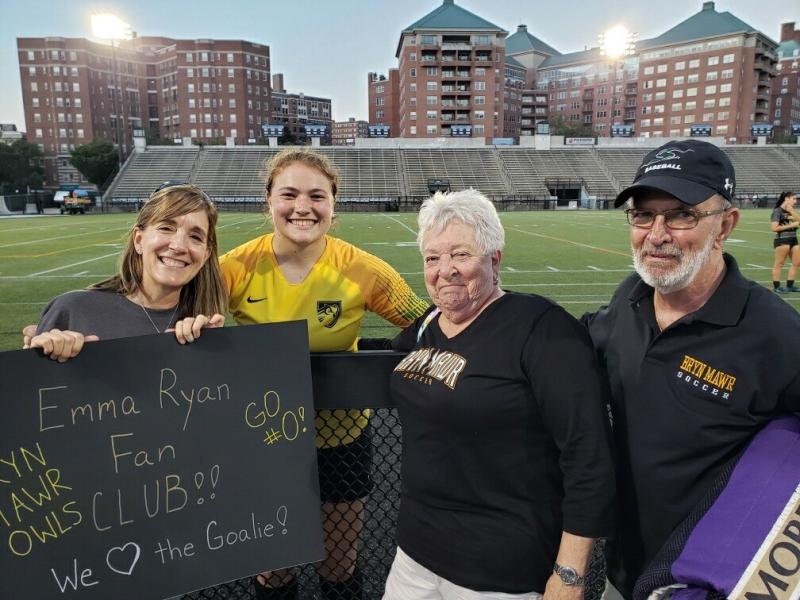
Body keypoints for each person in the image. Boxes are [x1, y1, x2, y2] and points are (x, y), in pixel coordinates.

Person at [583, 140, 800, 598]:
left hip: (704, 585)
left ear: (725, 225)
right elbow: (581, 341)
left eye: (682, 214)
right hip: (622, 574)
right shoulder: (631, 297)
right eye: (643, 215)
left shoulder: (776, 336)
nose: (656, 233)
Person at [381, 189, 615, 599]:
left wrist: (570, 573)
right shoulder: (428, 324)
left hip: (499, 570)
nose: (445, 270)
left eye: (460, 255)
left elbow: (588, 457)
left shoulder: (542, 329)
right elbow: (381, 353)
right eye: (432, 259)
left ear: (494, 259)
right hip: (415, 553)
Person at [217, 148, 429, 600]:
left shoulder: (363, 269)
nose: (302, 207)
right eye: (288, 194)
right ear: (268, 201)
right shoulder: (231, 269)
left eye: (317, 195)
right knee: (273, 570)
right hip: (265, 442)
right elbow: (175, 325)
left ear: (333, 205)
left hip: (343, 441)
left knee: (339, 566)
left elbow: (425, 322)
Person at [26, 183, 227, 359]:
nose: (179, 246)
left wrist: (212, 355)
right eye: (166, 228)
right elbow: (30, 396)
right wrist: (46, 355)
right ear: (139, 240)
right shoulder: (72, 310)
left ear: (206, 255)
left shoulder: (204, 326)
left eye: (195, 237)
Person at [770, 191, 799, 293]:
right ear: (786, 199)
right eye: (793, 199)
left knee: (797, 262)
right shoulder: (777, 211)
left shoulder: (792, 211)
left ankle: (790, 285)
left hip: (794, 240)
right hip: (782, 240)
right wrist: (791, 225)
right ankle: (777, 287)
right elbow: (774, 228)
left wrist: (793, 212)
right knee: (779, 263)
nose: (795, 201)